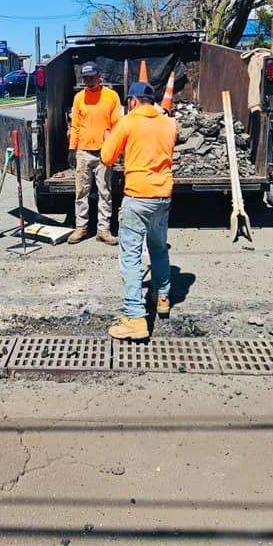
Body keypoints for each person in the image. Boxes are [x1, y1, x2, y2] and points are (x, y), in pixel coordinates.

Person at [100, 81, 177, 340]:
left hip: (138, 196)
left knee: (131, 256)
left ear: (132, 101)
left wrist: (108, 139)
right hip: (163, 196)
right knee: (158, 247)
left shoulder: (129, 122)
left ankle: (135, 318)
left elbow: (107, 158)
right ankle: (162, 297)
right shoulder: (168, 123)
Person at [67, 62, 121, 245]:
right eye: (85, 78)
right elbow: (75, 125)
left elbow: (116, 126)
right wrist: (72, 149)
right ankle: (81, 228)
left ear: (100, 76)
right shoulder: (79, 98)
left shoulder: (111, 97)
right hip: (83, 151)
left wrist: (114, 150)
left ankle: (103, 230)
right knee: (81, 192)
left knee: (105, 192)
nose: (88, 81)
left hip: (104, 153)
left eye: (91, 77)